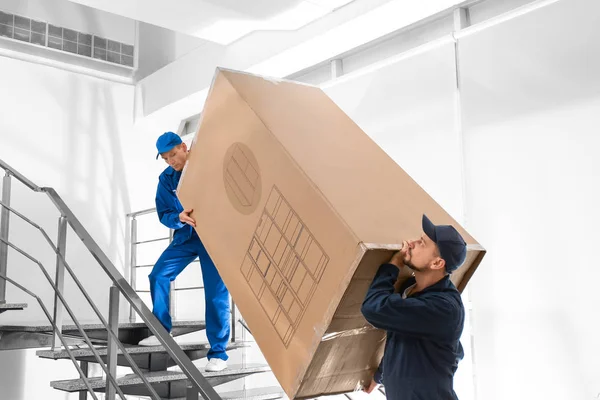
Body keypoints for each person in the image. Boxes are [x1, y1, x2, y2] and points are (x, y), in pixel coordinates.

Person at [138, 131, 231, 373]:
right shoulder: (166, 179)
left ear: (183, 147)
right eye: (166, 158)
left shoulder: (207, 165)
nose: (171, 161)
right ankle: (161, 331)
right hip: (186, 236)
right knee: (158, 276)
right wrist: (178, 219)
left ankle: (218, 354)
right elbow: (164, 214)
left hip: (213, 236)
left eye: (173, 155)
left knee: (215, 294)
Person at [361, 214, 467, 399]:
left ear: (437, 263)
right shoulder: (410, 289)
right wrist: (380, 376)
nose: (411, 243)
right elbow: (404, 337)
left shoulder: (443, 309)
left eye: (422, 243)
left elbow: (372, 308)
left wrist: (392, 265)